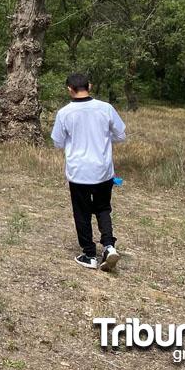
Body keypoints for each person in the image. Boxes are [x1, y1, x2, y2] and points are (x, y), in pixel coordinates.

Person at [51, 73, 127, 272]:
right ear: (90, 86)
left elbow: (57, 141)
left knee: (82, 212)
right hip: (103, 170)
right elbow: (120, 134)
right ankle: (109, 246)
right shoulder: (105, 108)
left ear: (69, 89)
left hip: (79, 172)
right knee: (103, 208)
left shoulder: (65, 113)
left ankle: (89, 254)